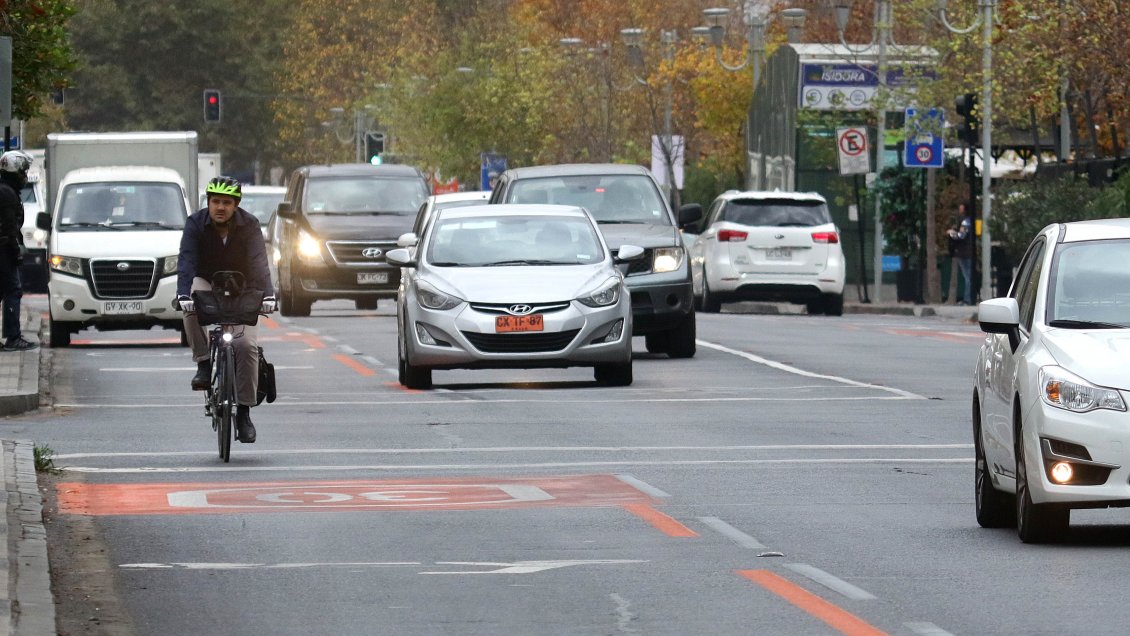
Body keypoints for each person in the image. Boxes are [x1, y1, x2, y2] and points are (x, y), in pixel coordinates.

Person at [177, 177, 275, 443]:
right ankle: (204, 365)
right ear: (208, 202)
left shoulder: (250, 225)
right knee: (191, 303)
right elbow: (186, 261)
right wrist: (183, 293)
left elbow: (259, 262)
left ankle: (243, 413)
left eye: (227, 203)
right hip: (207, 283)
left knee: (246, 347)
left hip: (244, 288)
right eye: (215, 201)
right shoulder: (195, 224)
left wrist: (269, 295)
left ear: (236, 206)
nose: (220, 207)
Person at [0, 150, 39, 352]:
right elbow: (9, 227)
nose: (25, 176)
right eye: (23, 172)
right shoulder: (7, 193)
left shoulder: (5, 190)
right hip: (4, 250)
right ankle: (13, 337)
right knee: (13, 290)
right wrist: (15, 251)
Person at [947, 204, 975, 305]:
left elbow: (961, 236)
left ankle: (967, 299)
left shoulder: (965, 221)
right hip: (970, 251)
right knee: (969, 276)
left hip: (964, 252)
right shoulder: (972, 220)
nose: (959, 210)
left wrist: (952, 233)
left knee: (967, 277)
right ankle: (970, 297)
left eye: (961, 208)